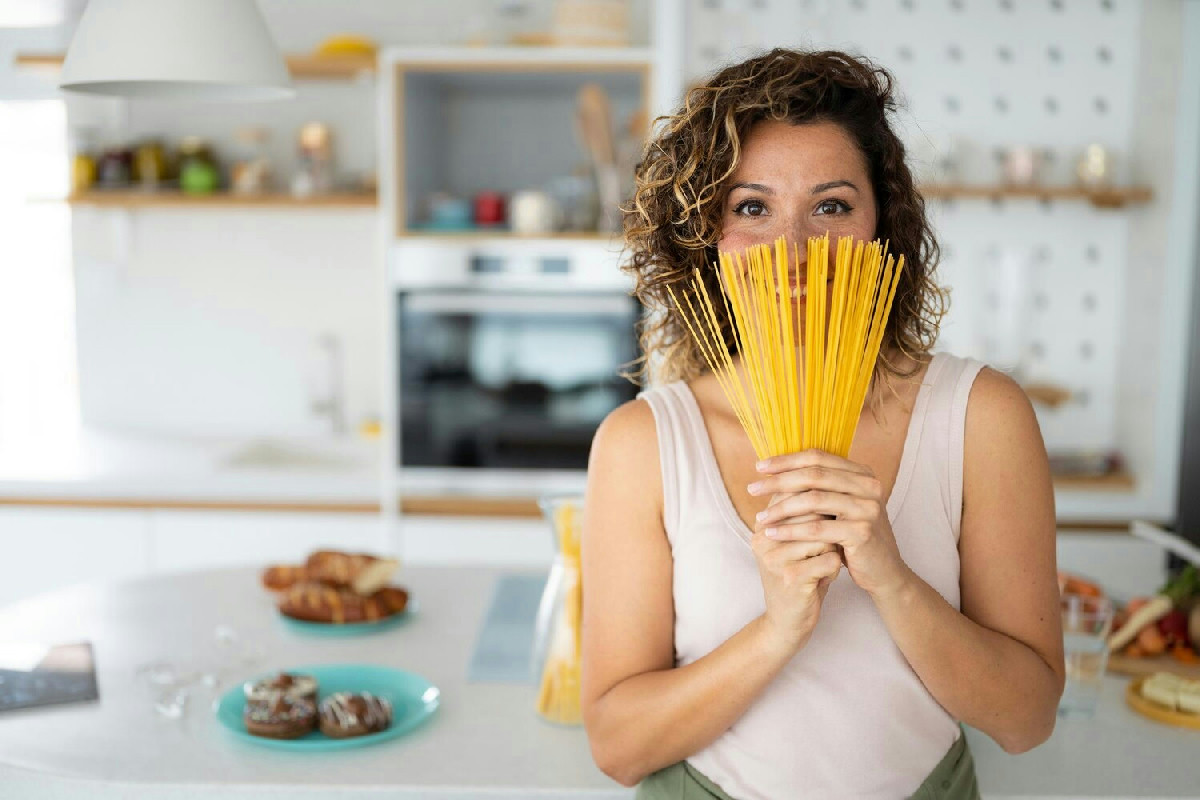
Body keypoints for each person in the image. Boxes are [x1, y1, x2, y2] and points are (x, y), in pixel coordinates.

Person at [580, 48, 1065, 800]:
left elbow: (1027, 721)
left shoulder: (982, 417)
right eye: (752, 208)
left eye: (831, 206)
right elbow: (618, 747)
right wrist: (779, 627)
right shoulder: (645, 443)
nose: (793, 251)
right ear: (706, 237)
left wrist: (891, 579)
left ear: (882, 225)